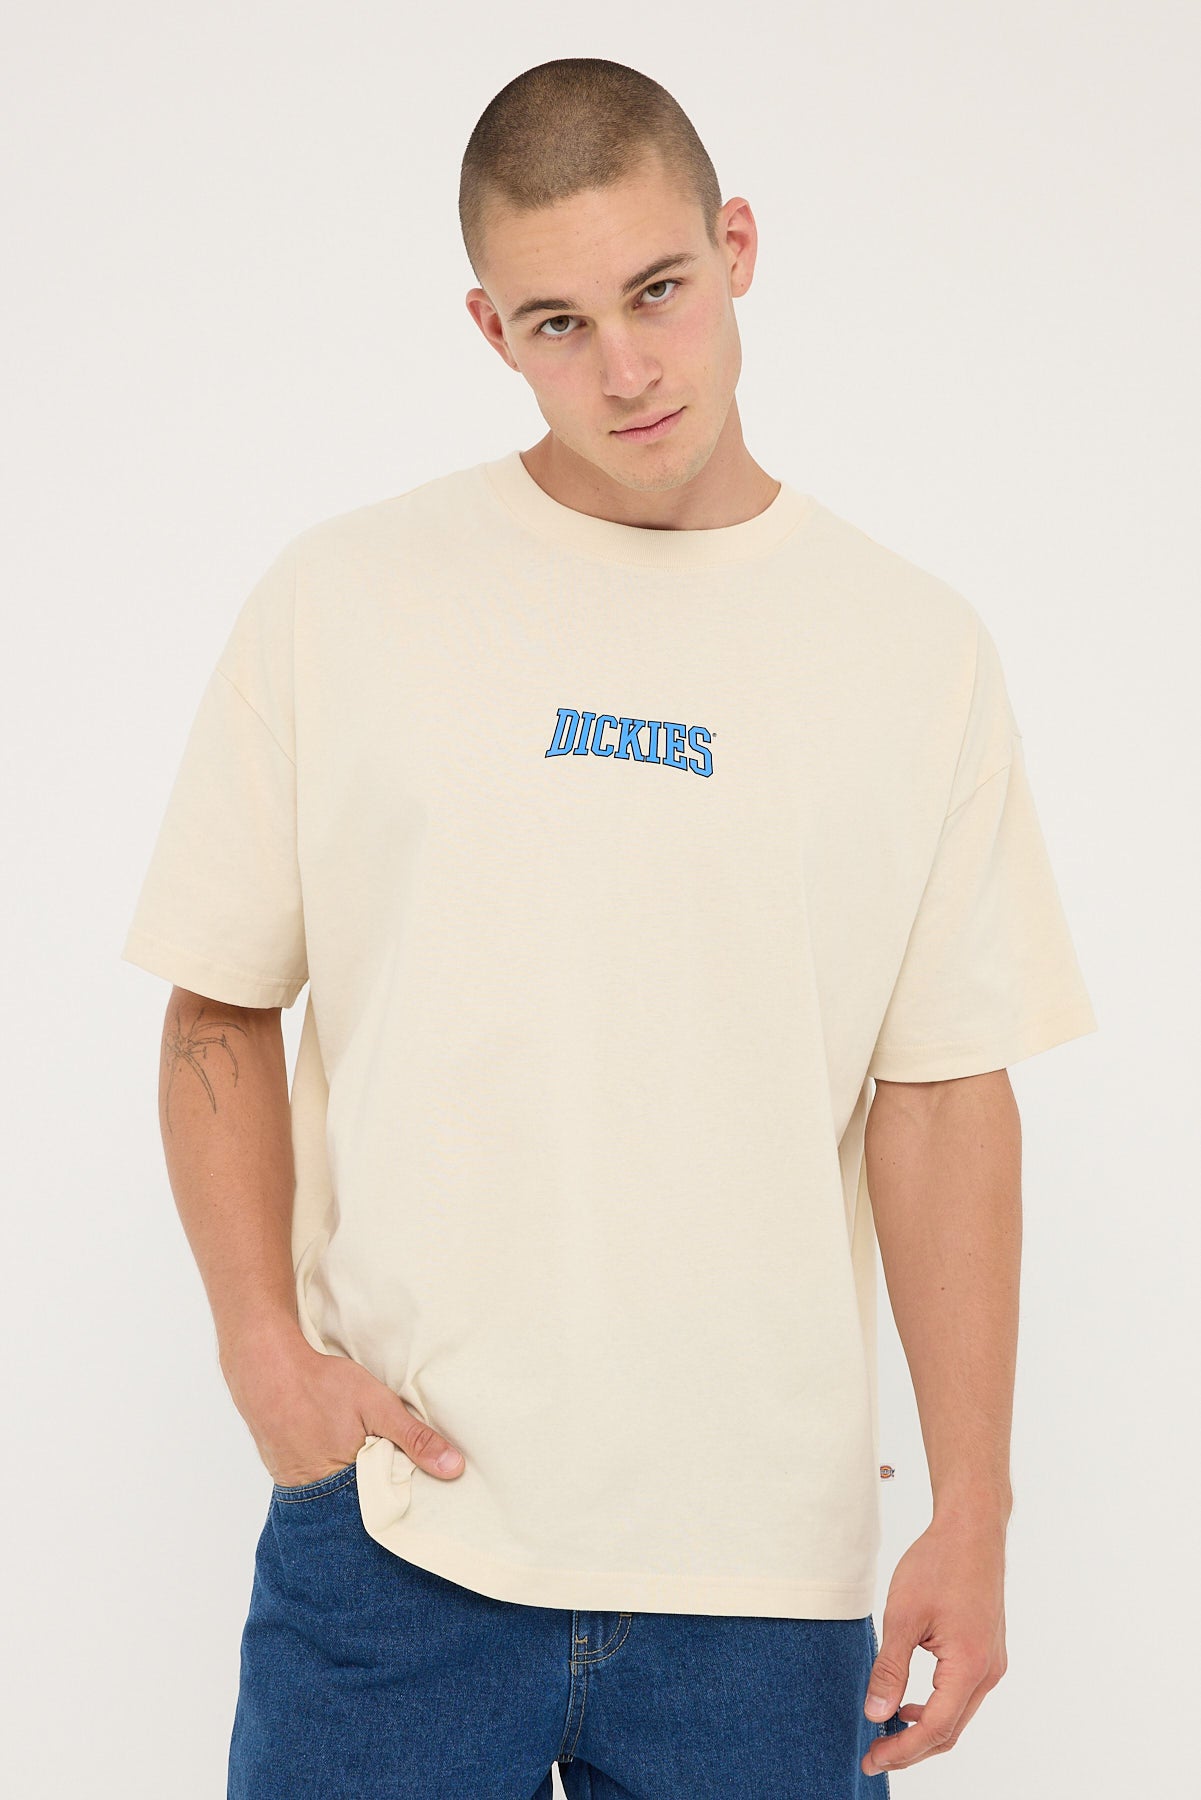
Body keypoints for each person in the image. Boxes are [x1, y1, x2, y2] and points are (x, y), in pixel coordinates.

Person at [121, 55, 1098, 1800]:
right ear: (490, 331)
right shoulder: (346, 598)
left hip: (767, 1587)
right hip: (400, 1543)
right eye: (557, 323)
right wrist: (262, 1354)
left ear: (737, 248)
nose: (626, 369)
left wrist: (975, 1506)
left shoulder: (909, 649)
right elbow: (218, 1004)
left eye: (657, 291)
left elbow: (945, 1093)